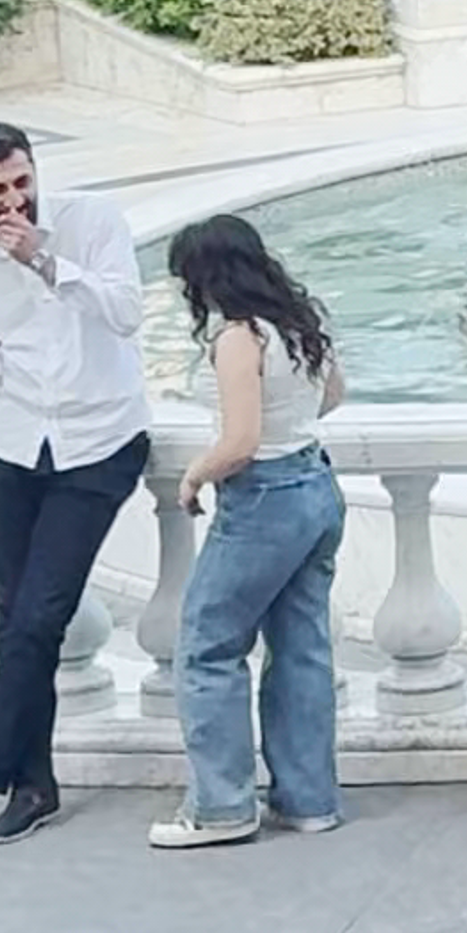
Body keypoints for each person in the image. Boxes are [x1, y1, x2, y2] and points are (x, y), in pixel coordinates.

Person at [0, 121, 154, 849]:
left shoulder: (93, 222)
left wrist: (48, 262)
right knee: (9, 621)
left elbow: (126, 312)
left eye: (22, 180)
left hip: (98, 442)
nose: (13, 198)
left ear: (34, 170)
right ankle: (36, 784)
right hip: (16, 440)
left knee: (38, 618)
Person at [151, 214, 350, 852]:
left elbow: (240, 442)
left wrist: (193, 478)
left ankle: (222, 807)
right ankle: (310, 799)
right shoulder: (297, 323)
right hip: (317, 487)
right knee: (301, 649)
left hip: (263, 499)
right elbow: (333, 398)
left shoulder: (238, 339)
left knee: (208, 646)